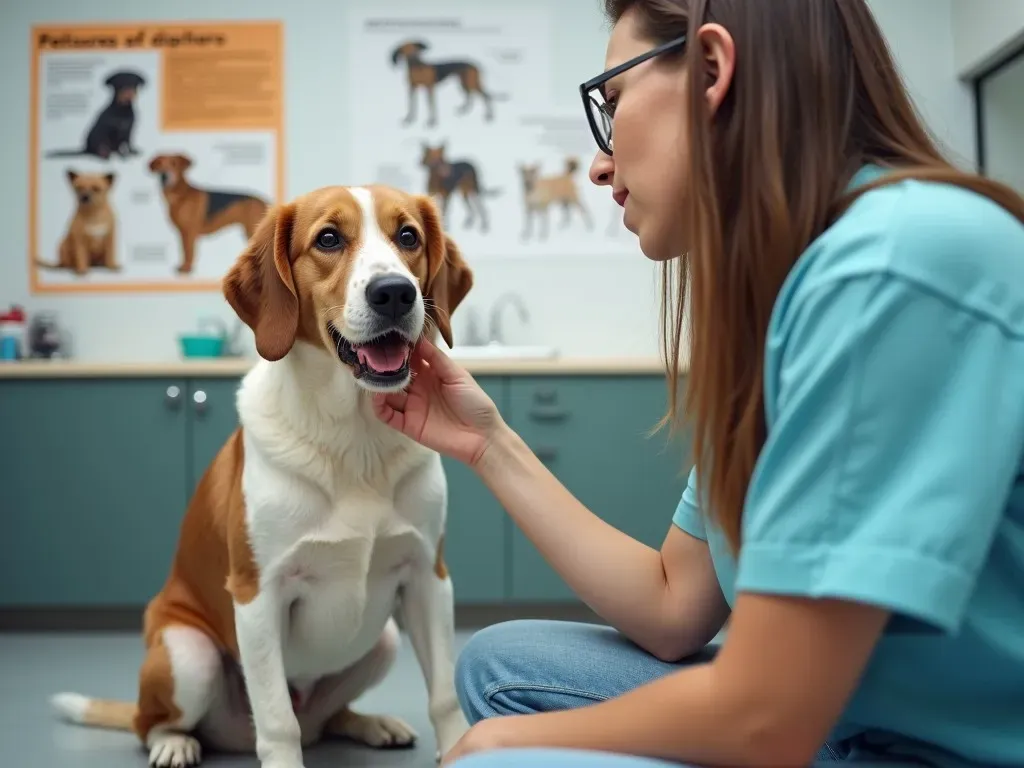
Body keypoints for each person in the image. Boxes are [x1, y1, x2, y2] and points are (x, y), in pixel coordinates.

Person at [373, 0, 1024, 766]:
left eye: (612, 105)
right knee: (498, 664)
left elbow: (767, 717)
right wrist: (489, 444)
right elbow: (674, 605)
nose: (598, 163)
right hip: (840, 714)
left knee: (502, 753)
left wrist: (508, 740)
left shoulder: (894, 265)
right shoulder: (790, 295)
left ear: (711, 71)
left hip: (926, 746)